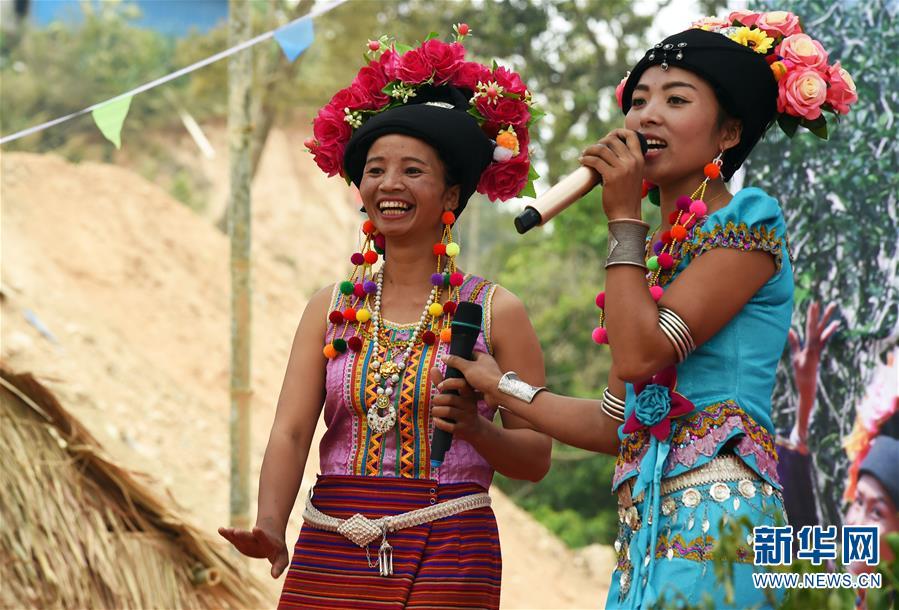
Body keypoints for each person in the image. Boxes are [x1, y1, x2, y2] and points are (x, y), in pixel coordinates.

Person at [442, 10, 857, 609]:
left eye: (676, 99)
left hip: (724, 533)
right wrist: (496, 388)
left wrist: (623, 217)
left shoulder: (749, 221)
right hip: (644, 544)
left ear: (729, 133)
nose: (646, 115)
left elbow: (641, 357)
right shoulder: (652, 261)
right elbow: (613, 424)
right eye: (638, 101)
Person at [218, 27, 551, 609]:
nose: (389, 184)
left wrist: (477, 431)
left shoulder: (497, 312)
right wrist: (271, 523)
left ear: (451, 196)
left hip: (450, 550)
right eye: (375, 170)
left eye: (412, 171)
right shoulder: (331, 308)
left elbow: (536, 457)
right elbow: (292, 430)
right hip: (331, 543)